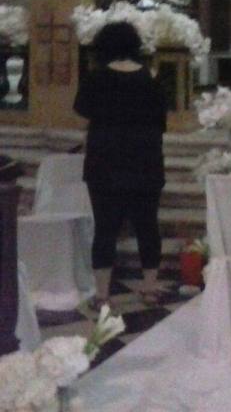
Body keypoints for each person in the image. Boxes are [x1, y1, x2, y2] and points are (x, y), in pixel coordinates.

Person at [74, 21, 168, 307]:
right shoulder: (151, 81)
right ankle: (150, 288)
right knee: (147, 225)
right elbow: (161, 124)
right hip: (145, 163)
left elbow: (81, 112)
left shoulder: (95, 79)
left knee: (105, 228)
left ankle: (102, 294)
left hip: (105, 163)